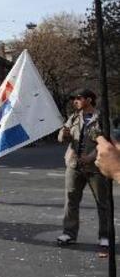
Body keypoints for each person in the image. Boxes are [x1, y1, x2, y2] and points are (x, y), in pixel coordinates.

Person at [56, 89, 110, 254]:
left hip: (96, 167)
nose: (75, 101)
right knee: (71, 200)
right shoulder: (73, 117)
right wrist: (63, 134)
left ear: (89, 100)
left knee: (102, 203)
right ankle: (69, 234)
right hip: (74, 165)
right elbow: (61, 138)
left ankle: (104, 236)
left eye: (78, 99)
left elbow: (105, 142)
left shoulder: (100, 118)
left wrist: (91, 157)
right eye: (74, 99)